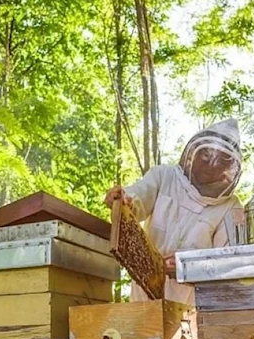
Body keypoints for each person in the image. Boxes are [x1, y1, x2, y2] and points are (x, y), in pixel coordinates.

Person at [104, 118, 245, 305]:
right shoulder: (164, 177)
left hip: (193, 307)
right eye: (206, 158)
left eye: (219, 163)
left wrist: (188, 267)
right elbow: (138, 199)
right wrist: (123, 200)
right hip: (144, 300)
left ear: (228, 169)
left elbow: (229, 263)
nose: (210, 166)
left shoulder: (231, 207)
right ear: (193, 154)